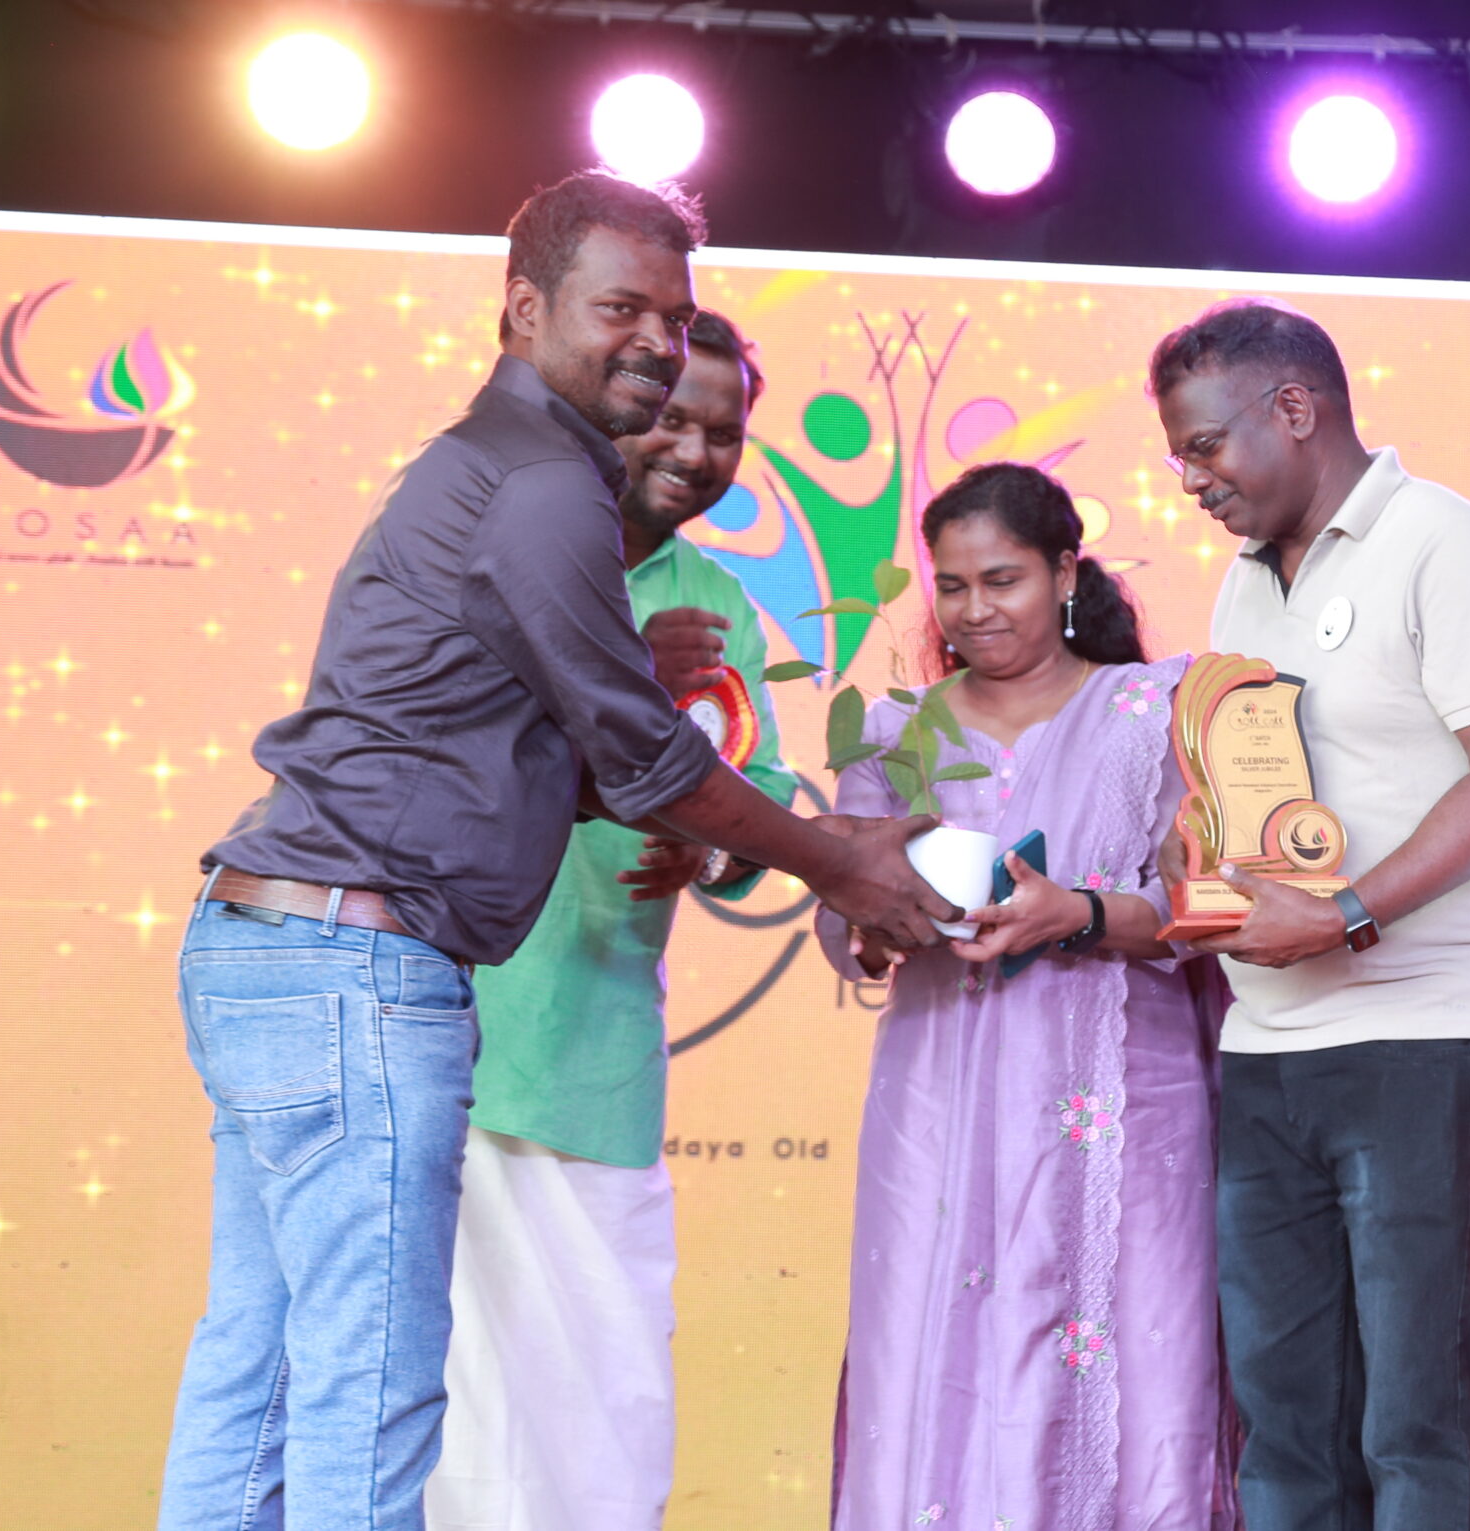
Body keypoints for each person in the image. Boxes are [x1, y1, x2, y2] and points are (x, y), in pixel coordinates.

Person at [161, 171, 948, 1531]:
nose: (655, 342)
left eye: (675, 317)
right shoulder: (542, 481)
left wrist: (734, 827)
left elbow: (534, 762)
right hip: (355, 963)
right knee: (367, 1388)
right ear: (523, 308)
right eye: (620, 308)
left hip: (282, 946)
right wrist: (841, 862)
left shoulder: (502, 466)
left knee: (265, 1371)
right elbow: (646, 761)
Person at [1150, 299, 1470, 1531]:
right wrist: (1203, 844)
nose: (1191, 482)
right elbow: (1261, 791)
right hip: (1265, 1044)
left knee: (1416, 1425)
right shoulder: (1242, 588)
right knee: (1283, 1430)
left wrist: (1345, 916)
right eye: (1177, 458)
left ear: (1295, 408)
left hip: (1422, 1040)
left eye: (1204, 447)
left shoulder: (1450, 543)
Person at [816, 462, 1240, 1530]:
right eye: (952, 586)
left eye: (1002, 580)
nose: (974, 610)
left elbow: (1211, 909)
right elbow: (845, 924)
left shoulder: (1153, 711)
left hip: (1125, 1103)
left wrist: (1079, 914)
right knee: (931, 1339)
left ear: (1065, 573)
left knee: (1138, 1345)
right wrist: (877, 922)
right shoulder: (895, 733)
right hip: (939, 1104)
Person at [427, 311, 796, 1531]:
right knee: (438, 1416)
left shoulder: (719, 602)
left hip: (594, 1054)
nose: (694, 452)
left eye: (723, 433)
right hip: (440, 1036)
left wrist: (714, 842)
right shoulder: (498, 536)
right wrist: (620, 672)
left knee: (602, 1417)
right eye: (674, 418)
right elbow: (421, 751)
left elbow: (759, 796)